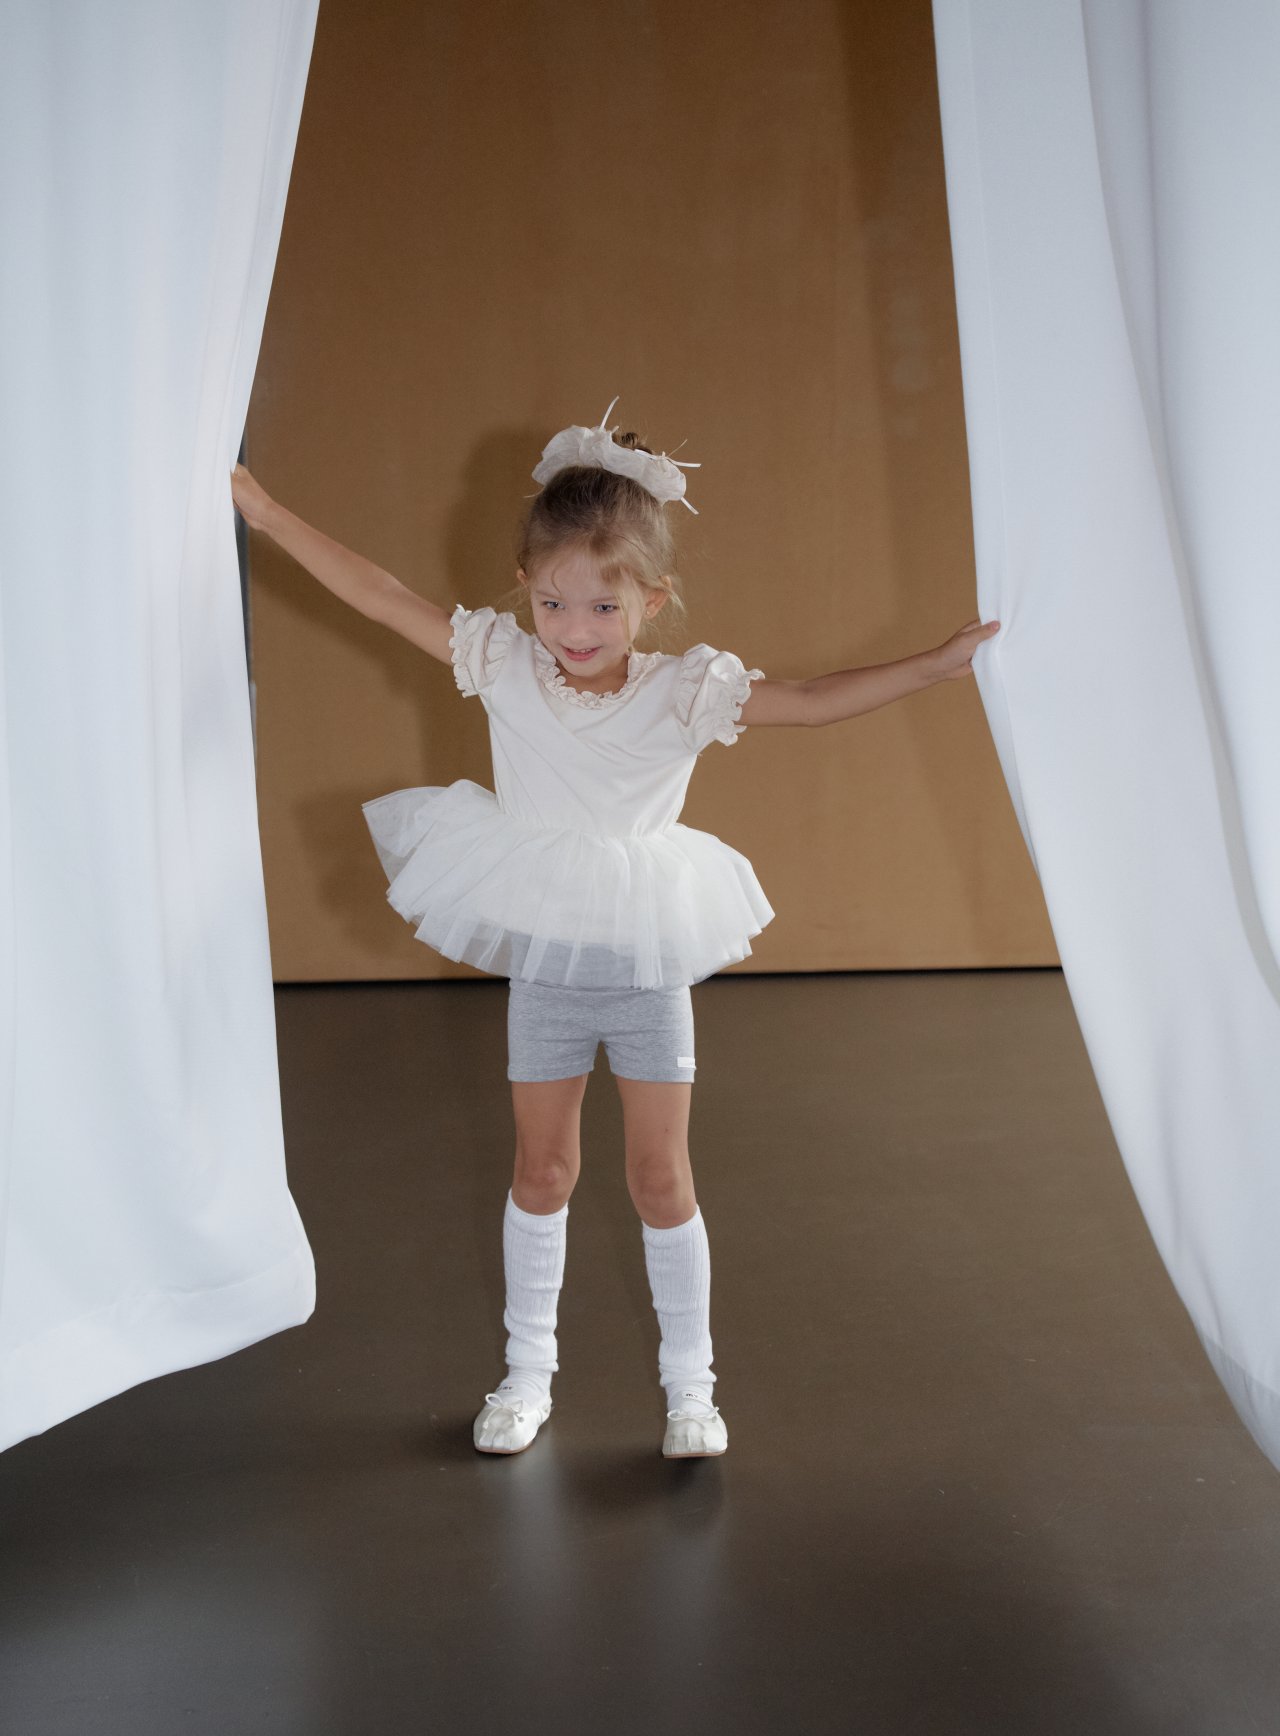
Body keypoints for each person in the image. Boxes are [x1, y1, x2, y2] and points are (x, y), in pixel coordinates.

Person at [230, 398, 998, 1462]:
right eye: (552, 602)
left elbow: (815, 698)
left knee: (659, 1177)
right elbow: (381, 594)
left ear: (651, 599)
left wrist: (933, 665)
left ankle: (691, 1389)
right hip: (549, 962)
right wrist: (266, 514)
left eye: (601, 605)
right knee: (541, 1171)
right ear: (523, 588)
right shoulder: (502, 664)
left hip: (644, 961)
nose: (574, 629)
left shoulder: (684, 694)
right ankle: (525, 1373)